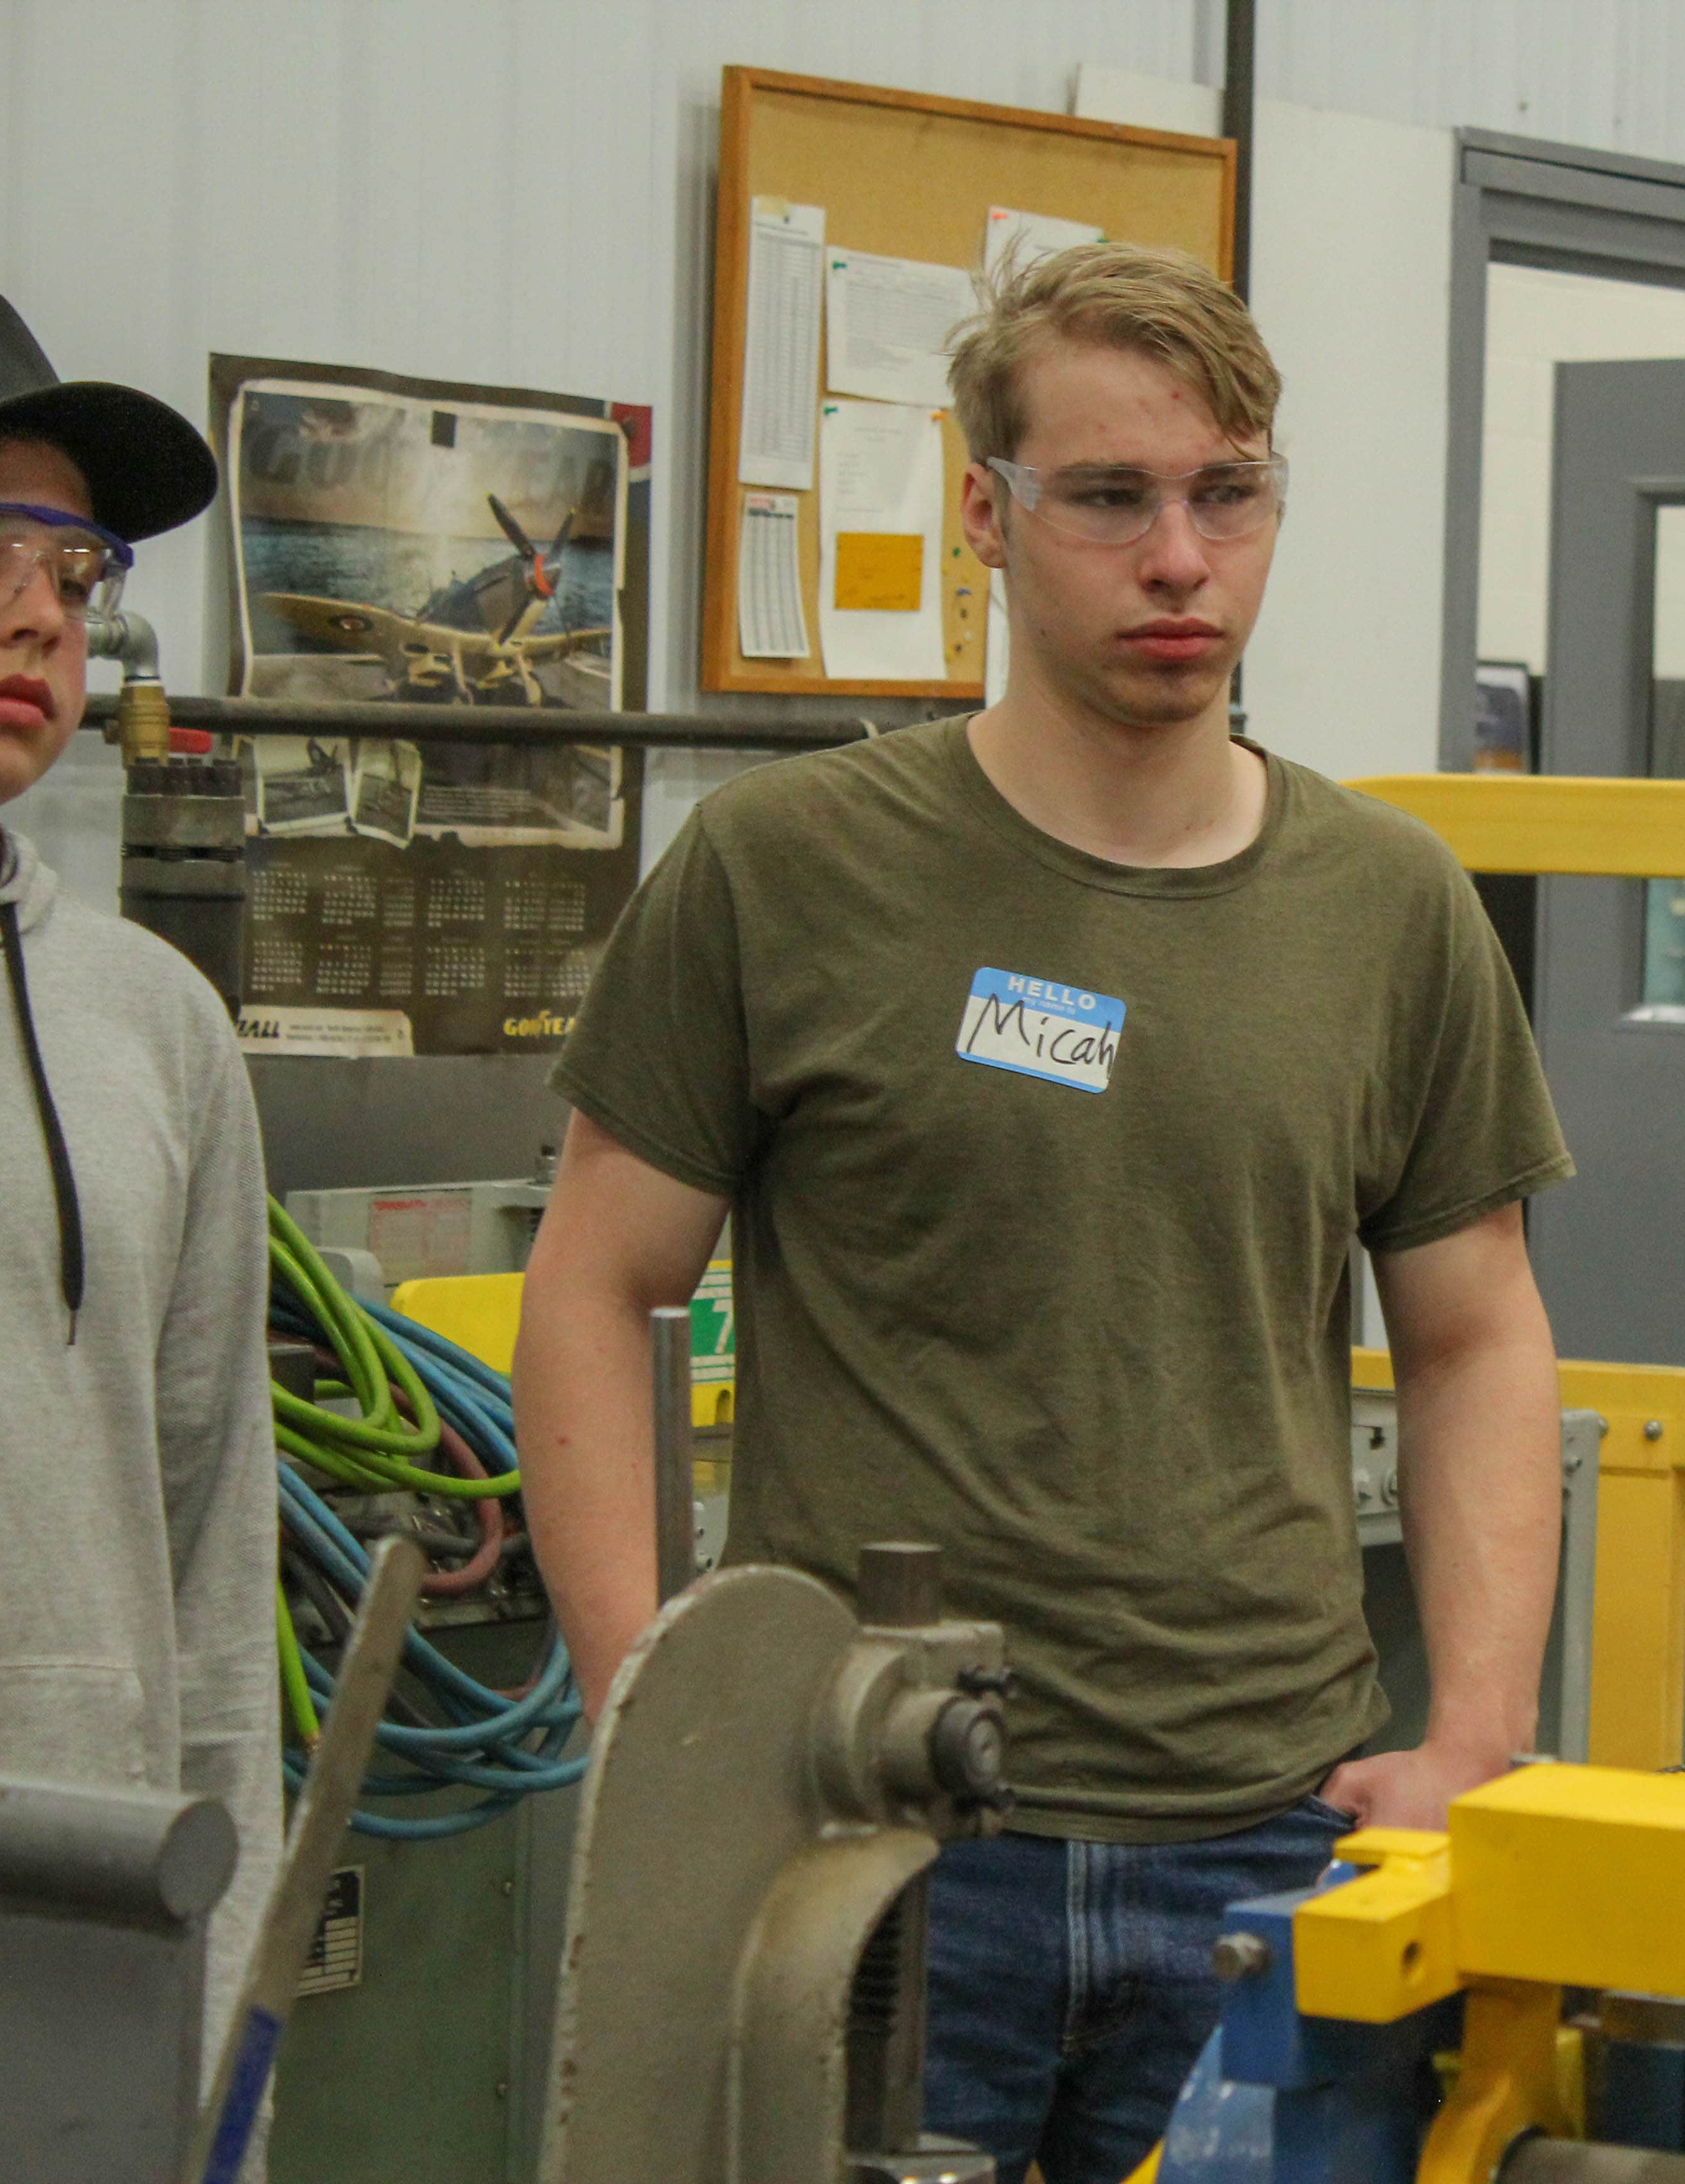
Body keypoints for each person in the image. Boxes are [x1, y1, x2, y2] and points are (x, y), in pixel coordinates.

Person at [517, 243, 1572, 2180]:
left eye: (1227, 495)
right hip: (880, 1830)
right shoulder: (782, 869)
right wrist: (642, 1706)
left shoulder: (1392, 909)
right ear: (986, 516)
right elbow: (596, 1282)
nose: (1180, 561)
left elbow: (1477, 1331)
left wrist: (1478, 1733)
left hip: (1275, 1825)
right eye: (1109, 498)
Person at [0, 299, 280, 2080]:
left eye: (74, 569)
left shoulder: (153, 1026)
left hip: (84, 1964)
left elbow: (213, 1565)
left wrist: (223, 2006)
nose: (42, 614)